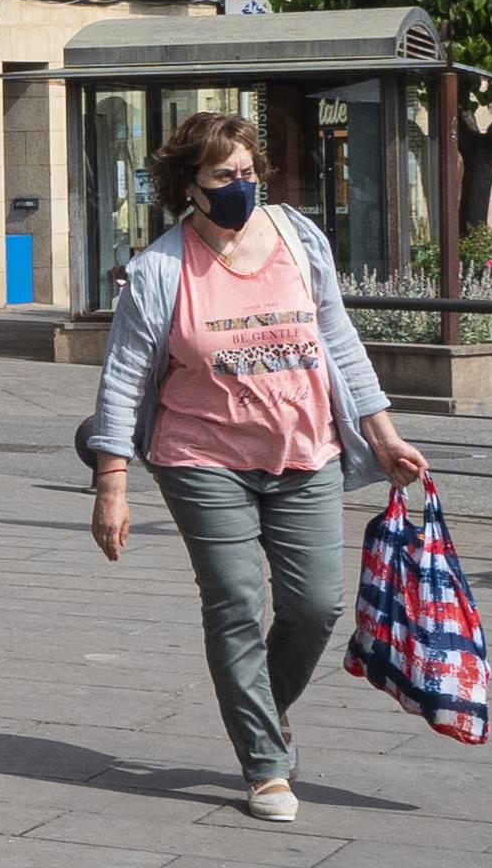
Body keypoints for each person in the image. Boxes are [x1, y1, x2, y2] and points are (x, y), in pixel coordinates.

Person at [84, 109, 436, 823]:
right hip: (201, 459)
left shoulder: (298, 239)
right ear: (190, 184)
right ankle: (265, 766)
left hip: (305, 453)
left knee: (316, 605)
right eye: (224, 175)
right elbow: (123, 379)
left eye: (248, 173)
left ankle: (263, 712)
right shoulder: (161, 269)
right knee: (238, 603)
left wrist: (386, 434)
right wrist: (111, 485)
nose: (241, 186)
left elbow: (338, 340)